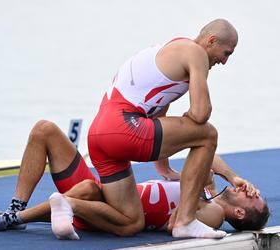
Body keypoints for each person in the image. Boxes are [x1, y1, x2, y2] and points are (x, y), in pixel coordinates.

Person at [0, 122, 269, 239]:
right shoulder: (208, 196)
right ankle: (15, 209)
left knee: (90, 189)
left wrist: (201, 179)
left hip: (109, 214)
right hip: (107, 193)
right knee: (44, 130)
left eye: (253, 196)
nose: (250, 190)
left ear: (240, 213)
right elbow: (205, 153)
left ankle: (12, 219)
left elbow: (175, 223)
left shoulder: (215, 216)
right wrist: (230, 176)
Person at [86, 18, 239, 238]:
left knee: (130, 221)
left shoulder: (172, 51)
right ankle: (185, 221)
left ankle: (64, 204)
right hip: (124, 126)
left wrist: (164, 169)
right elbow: (201, 114)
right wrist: (192, 117)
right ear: (211, 41)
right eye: (226, 53)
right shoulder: (195, 53)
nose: (224, 62)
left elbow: (159, 114)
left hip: (98, 134)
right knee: (208, 135)